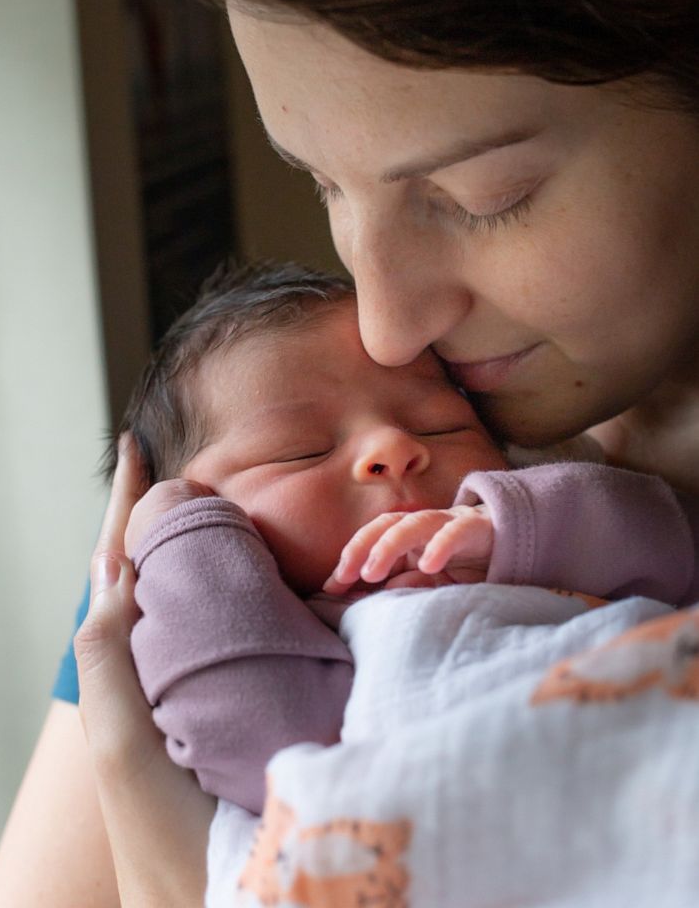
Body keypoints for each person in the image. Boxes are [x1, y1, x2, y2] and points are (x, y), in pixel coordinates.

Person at [0, 0, 698, 905]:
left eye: (481, 195)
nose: (386, 324)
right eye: (321, 179)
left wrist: (168, 863)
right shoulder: (256, 523)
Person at [121, 262, 696, 816]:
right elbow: (265, 755)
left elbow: (672, 546)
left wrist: (509, 527)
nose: (392, 447)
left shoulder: (539, 547)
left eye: (440, 424)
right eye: (302, 450)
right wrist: (176, 534)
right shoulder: (302, 648)